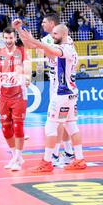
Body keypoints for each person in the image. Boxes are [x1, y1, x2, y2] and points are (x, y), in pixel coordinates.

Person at [17, 23, 87, 172]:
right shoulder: (63, 48)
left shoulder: (65, 48)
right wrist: (19, 30)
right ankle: (79, 159)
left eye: (55, 34)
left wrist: (33, 39)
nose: (52, 37)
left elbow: (46, 48)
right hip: (70, 93)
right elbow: (36, 46)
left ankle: (47, 161)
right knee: (71, 126)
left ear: (63, 35)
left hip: (62, 93)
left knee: (50, 127)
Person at [0, 24, 32, 171]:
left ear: (15, 38)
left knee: (18, 126)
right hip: (4, 95)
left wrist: (26, 76)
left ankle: (17, 159)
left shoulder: (22, 51)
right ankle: (15, 156)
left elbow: (27, 68)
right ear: (3, 38)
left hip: (19, 94)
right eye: (6, 37)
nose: (8, 40)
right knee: (5, 128)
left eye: (11, 37)